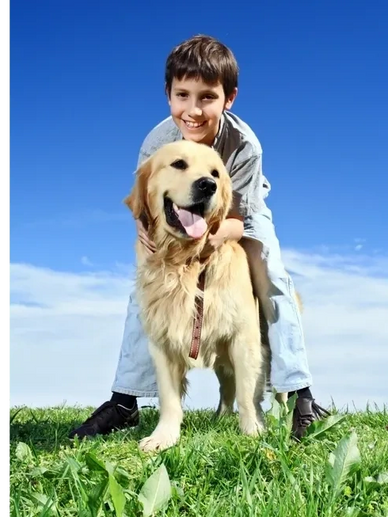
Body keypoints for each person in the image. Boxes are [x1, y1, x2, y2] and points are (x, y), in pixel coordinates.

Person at [69, 35, 329, 442]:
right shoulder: (157, 142)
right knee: (145, 294)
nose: (193, 110)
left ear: (229, 99)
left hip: (239, 214)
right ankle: (126, 400)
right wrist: (144, 225)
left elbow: (238, 219)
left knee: (271, 276)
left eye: (207, 97)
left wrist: (209, 237)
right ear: (168, 95)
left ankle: (301, 393)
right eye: (182, 95)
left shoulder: (245, 145)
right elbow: (145, 199)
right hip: (179, 217)